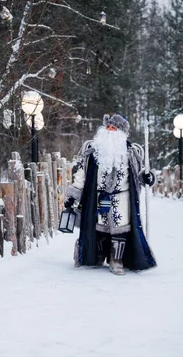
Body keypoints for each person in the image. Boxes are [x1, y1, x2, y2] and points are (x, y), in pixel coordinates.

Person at [65, 113, 157, 275]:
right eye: (108, 127)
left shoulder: (131, 152)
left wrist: (147, 177)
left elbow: (139, 175)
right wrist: (73, 195)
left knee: (120, 227)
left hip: (122, 197)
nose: (110, 130)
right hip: (101, 196)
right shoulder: (93, 152)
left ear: (122, 132)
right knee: (101, 225)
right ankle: (99, 255)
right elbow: (82, 174)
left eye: (114, 128)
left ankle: (117, 260)